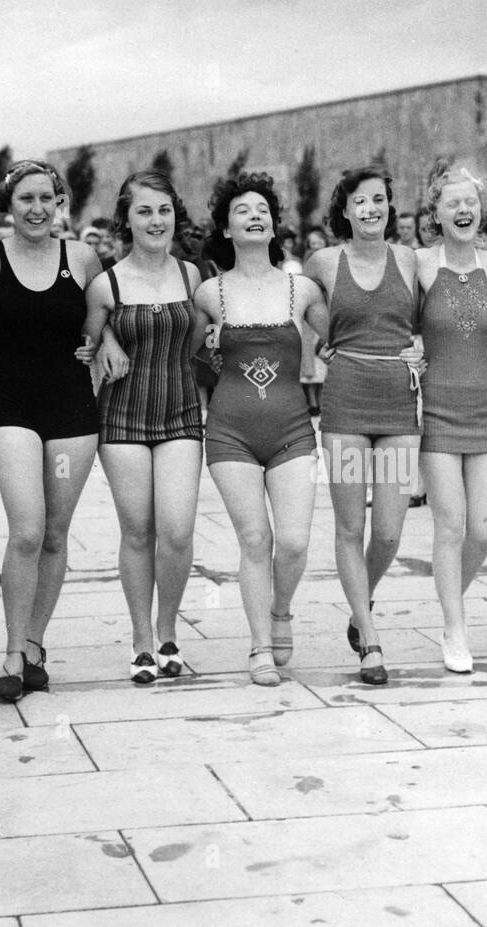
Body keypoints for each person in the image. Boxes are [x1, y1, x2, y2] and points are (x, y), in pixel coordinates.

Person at [0, 160, 102, 702]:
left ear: (60, 202)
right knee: (26, 528)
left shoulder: (83, 257)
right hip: (14, 403)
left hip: (71, 406)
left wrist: (105, 342)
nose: (38, 208)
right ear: (8, 204)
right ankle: (8, 653)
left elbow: (102, 316)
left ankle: (33, 643)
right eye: (26, 199)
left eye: (47, 198)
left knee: (54, 532)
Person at [190, 172, 327, 685]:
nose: (253, 216)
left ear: (274, 225)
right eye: (242, 210)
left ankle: (281, 610)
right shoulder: (208, 292)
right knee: (255, 538)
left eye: (262, 210)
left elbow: (346, 336)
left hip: (293, 429)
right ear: (226, 229)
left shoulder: (302, 286)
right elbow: (183, 353)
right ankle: (259, 646)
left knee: (292, 542)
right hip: (229, 432)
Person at [79, 170, 203, 685]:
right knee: (138, 531)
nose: (156, 221)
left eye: (164, 210)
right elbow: (84, 347)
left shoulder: (192, 276)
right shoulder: (105, 283)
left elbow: (195, 341)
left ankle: (169, 629)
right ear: (126, 220)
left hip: (179, 412)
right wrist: (105, 336)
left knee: (176, 530)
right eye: (144, 211)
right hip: (123, 417)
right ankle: (141, 641)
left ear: (176, 215)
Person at [303, 165, 424, 685]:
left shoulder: (408, 258)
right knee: (351, 526)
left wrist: (422, 351)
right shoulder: (325, 261)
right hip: (347, 402)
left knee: (390, 531)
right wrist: (322, 338)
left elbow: (426, 320)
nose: (371, 209)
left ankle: (359, 608)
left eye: (379, 199)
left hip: (398, 402)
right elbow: (299, 305)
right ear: (345, 209)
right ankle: (371, 642)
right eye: (361, 201)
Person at [414, 163, 487, 673]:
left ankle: (450, 594)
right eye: (452, 203)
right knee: (450, 522)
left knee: (485, 528)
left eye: (470, 201)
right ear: (436, 214)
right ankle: (455, 626)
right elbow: (392, 320)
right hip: (438, 410)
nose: (463, 209)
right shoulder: (420, 265)